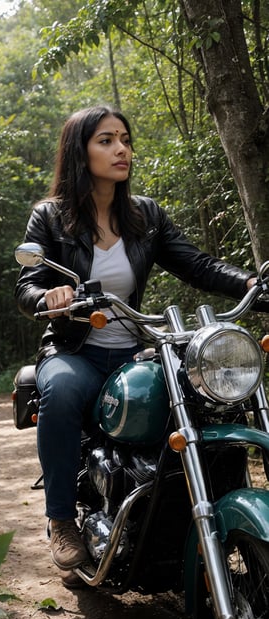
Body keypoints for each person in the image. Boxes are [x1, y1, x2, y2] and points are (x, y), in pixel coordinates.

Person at [15, 104, 257, 586]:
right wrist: (50, 295)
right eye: (106, 140)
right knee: (61, 394)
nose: (121, 149)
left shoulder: (145, 215)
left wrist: (251, 282)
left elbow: (197, 265)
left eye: (124, 138)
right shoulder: (51, 217)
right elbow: (27, 287)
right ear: (80, 151)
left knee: (218, 398)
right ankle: (63, 522)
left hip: (138, 352)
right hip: (76, 352)